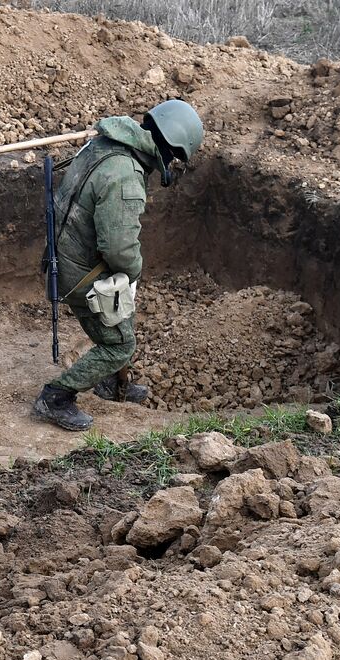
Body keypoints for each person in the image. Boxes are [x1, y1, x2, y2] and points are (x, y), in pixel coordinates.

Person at [33, 99, 204, 431]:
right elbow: (119, 249)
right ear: (170, 149)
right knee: (120, 345)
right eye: (176, 157)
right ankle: (56, 397)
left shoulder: (105, 144)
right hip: (80, 273)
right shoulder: (125, 176)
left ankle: (112, 383)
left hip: (66, 255)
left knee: (120, 319)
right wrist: (134, 270)